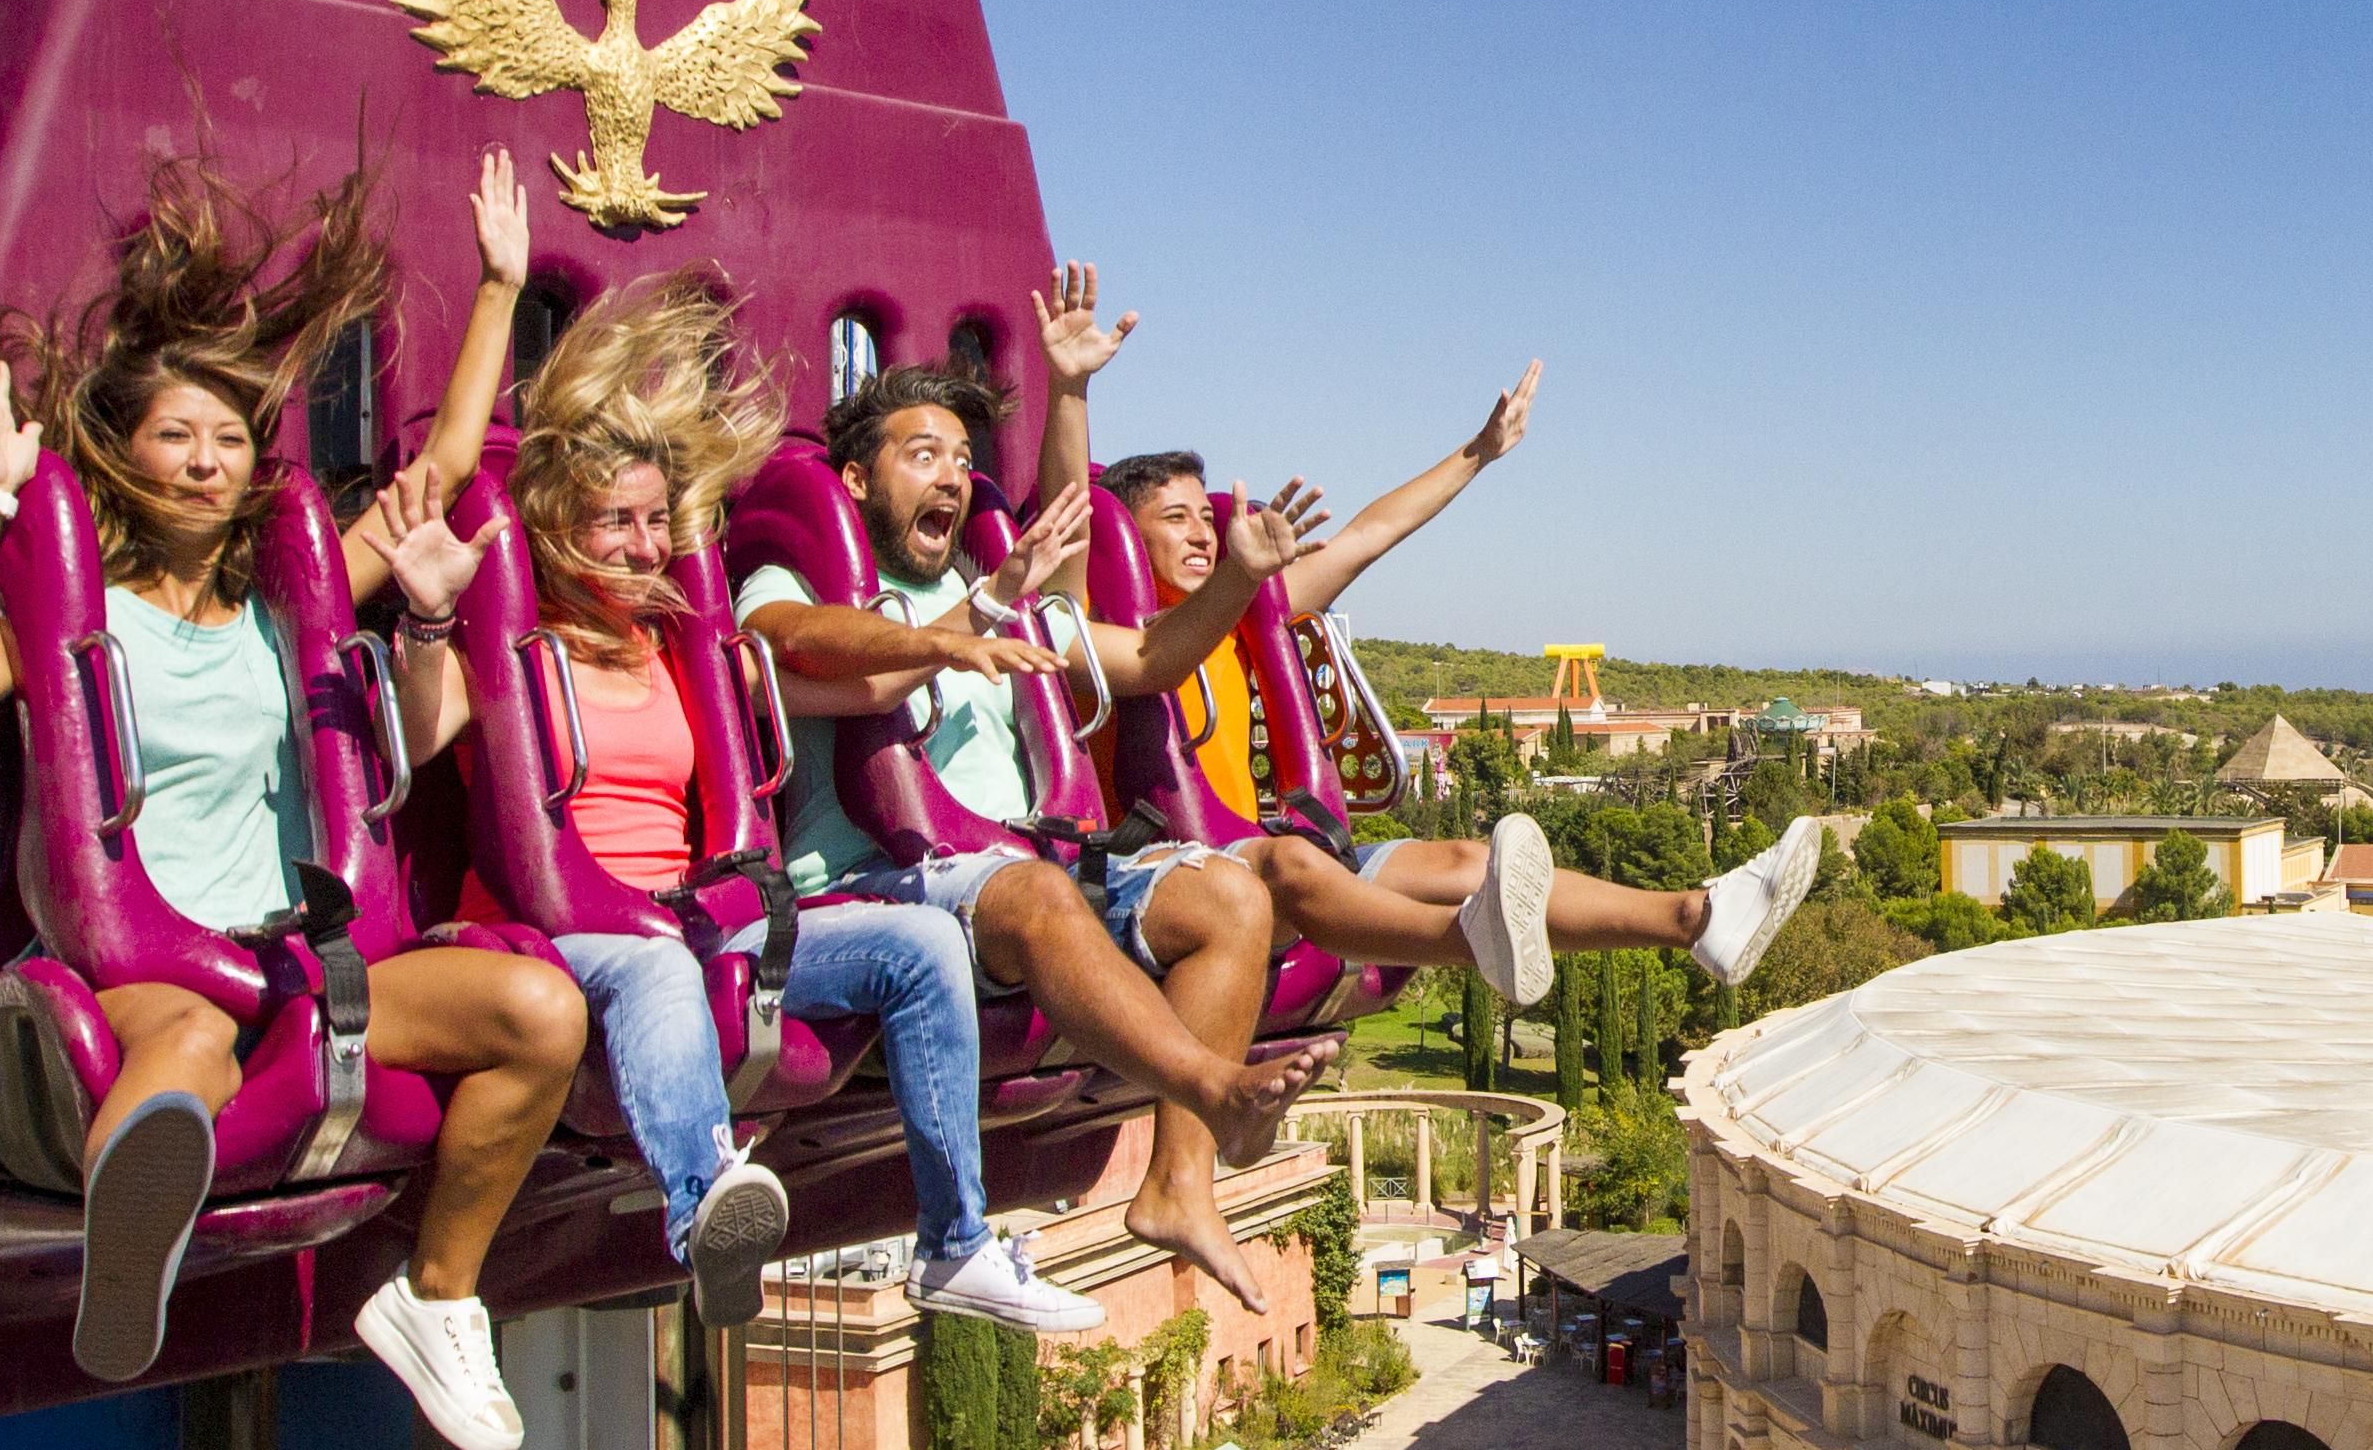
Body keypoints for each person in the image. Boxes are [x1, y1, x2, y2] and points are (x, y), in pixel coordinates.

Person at [381, 269, 1333, 1340]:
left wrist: (1019, 592)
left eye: (656, 523)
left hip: (706, 913)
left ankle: (958, 1243)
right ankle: (709, 1206)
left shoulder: (675, 650)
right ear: (558, 529)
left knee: (931, 947)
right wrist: (424, 618)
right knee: (693, 956)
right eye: (614, 524)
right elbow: (825, 653)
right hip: (597, 933)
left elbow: (1072, 636)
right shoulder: (551, 647)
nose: (644, 546)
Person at [0, 148, 583, 1450]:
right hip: (165, 963)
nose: (210, 463)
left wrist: (502, 289)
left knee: (539, 1011)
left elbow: (438, 473)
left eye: (230, 441)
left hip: (304, 955)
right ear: (125, 451)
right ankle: (129, 1270)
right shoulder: (82, 620)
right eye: (180, 436)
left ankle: (438, 1298)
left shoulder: (295, 600)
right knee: (182, 1059)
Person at [733, 267, 1350, 1323]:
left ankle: (1179, 1183)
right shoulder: (797, 578)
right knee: (1028, 895)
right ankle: (1214, 1087)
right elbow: (812, 654)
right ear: (852, 478)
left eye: (965, 462)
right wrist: (957, 626)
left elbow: (1148, 652)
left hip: (1028, 869)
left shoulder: (1001, 588)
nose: (955, 478)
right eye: (923, 453)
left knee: (1229, 899)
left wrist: (1234, 575)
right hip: (882, 885)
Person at [1080, 347, 1826, 1002]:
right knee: (1294, 866)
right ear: (1122, 536)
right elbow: (1068, 511)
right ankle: (1472, 941)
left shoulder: (1244, 613)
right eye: (1175, 519)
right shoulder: (1101, 629)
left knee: (1469, 859)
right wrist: (1070, 388)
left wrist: (1479, 451)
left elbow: (1370, 534)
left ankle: (1696, 918)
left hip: (1264, 856)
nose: (1203, 534)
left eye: (1204, 519)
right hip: (1188, 880)